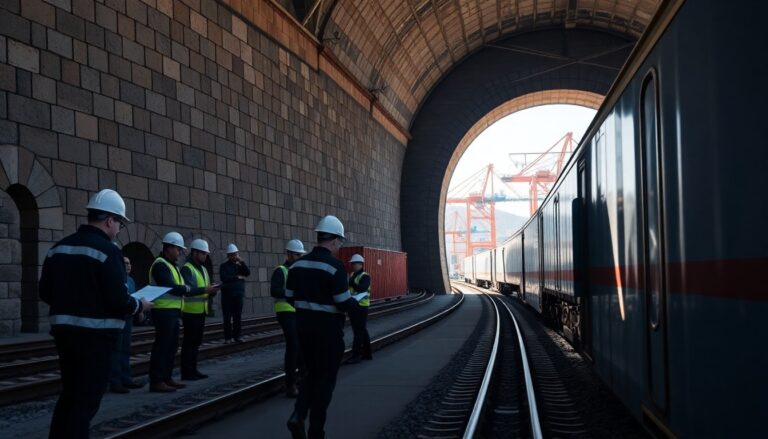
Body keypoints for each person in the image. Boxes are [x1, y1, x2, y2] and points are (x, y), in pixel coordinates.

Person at [40, 189, 152, 438]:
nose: (119, 230)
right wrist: (139, 306)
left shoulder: (58, 248)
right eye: (120, 225)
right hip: (96, 338)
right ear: (110, 220)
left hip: (64, 334)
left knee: (70, 396)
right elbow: (118, 300)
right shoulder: (108, 251)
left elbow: (45, 292)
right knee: (86, 401)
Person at [286, 215, 360, 439]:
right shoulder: (335, 267)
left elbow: (289, 297)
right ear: (335, 240)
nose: (339, 247)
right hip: (328, 332)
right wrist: (355, 303)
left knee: (310, 375)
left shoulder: (297, 265)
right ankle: (316, 433)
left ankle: (298, 415)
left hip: (303, 330)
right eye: (340, 243)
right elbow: (343, 302)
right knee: (325, 382)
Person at [148, 231, 192, 393]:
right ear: (169, 248)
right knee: (162, 346)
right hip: (163, 311)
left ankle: (166, 378)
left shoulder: (172, 265)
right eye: (178, 249)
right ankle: (157, 380)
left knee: (171, 346)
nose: (180, 252)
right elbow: (170, 286)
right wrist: (185, 288)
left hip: (172, 312)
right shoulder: (160, 264)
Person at [271, 239, 307, 397]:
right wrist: (291, 294)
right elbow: (275, 291)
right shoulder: (281, 271)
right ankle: (291, 384)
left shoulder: (300, 271)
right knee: (293, 345)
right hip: (285, 311)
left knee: (301, 345)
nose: (300, 257)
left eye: (301, 255)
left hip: (299, 312)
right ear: (290, 254)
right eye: (298, 254)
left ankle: (302, 379)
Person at [180, 239, 220, 380]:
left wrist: (212, 290)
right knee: (189, 343)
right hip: (190, 311)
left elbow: (205, 288)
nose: (205, 256)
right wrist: (206, 289)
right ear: (195, 252)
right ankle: (187, 372)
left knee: (196, 342)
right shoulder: (187, 268)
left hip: (201, 311)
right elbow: (188, 290)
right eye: (203, 253)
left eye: (206, 253)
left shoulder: (203, 269)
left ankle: (193, 369)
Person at [109, 255, 145, 393]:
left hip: (128, 318)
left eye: (129, 263)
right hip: (118, 318)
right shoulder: (117, 278)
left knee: (126, 349)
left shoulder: (131, 280)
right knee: (116, 351)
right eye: (125, 263)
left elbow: (134, 298)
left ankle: (126, 379)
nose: (128, 266)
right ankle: (116, 382)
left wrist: (140, 311)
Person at [219, 243, 250, 343]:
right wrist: (237, 277)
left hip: (238, 295)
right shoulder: (223, 266)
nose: (234, 256)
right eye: (232, 254)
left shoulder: (239, 266)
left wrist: (242, 262)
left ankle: (238, 336)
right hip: (227, 295)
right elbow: (224, 278)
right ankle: (228, 338)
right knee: (227, 317)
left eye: (235, 254)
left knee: (237, 317)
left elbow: (247, 273)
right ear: (228, 256)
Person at [344, 254, 372, 364]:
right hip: (353, 306)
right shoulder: (352, 275)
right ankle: (367, 354)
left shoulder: (365, 276)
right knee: (362, 330)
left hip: (361, 306)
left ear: (360, 264)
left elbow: (362, 288)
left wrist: (352, 283)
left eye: (354, 263)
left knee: (358, 332)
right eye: (352, 263)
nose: (352, 265)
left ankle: (356, 356)